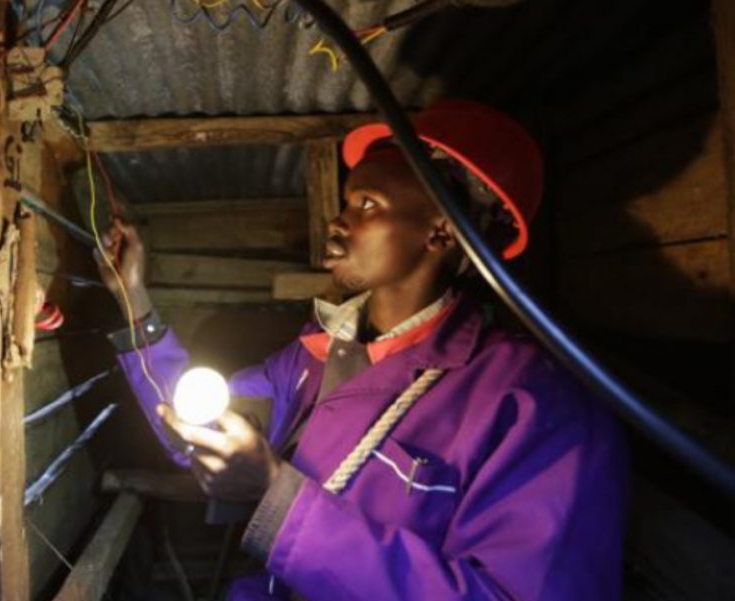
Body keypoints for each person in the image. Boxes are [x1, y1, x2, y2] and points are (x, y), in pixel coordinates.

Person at [96, 100, 628, 600]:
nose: (337, 221)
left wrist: (276, 494)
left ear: (441, 230)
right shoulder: (312, 359)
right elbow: (198, 430)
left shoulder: (537, 405)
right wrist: (134, 299)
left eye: (368, 204)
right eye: (347, 201)